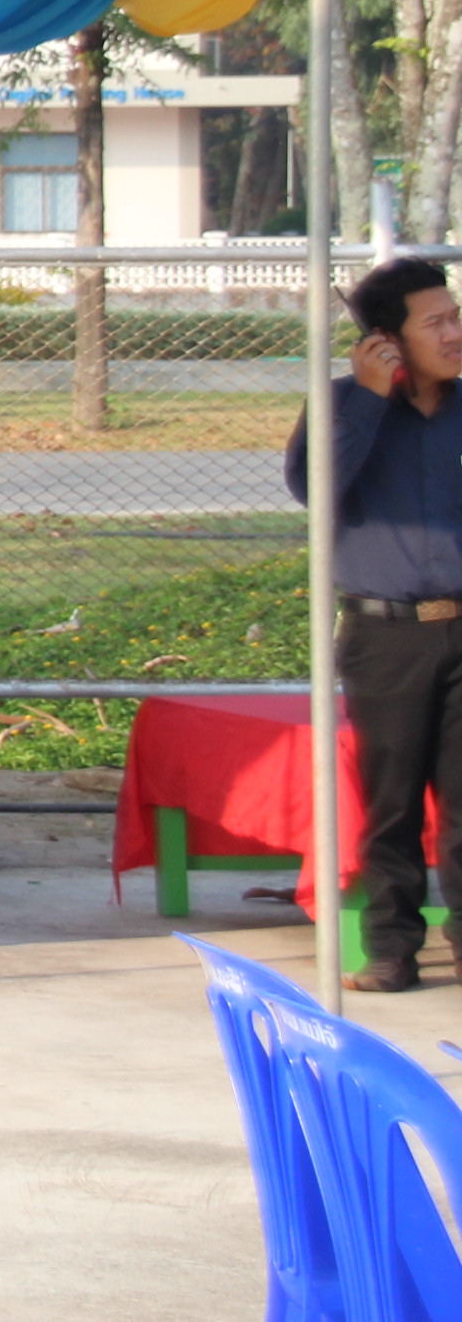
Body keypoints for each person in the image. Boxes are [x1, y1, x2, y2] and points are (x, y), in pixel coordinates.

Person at [286, 256, 462, 990]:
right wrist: (365, 398)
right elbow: (312, 488)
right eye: (437, 322)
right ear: (387, 339)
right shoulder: (340, 404)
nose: (454, 333)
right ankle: (390, 948)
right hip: (384, 635)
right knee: (391, 803)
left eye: (455, 317)